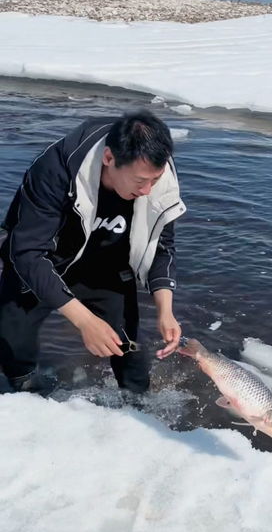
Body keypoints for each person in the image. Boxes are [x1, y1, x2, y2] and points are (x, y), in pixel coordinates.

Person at [0, 109, 186, 393]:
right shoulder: (56, 168)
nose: (149, 190)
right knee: (12, 340)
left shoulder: (157, 173)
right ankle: (27, 392)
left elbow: (162, 245)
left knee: (127, 346)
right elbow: (27, 253)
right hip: (46, 261)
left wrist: (165, 310)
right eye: (140, 182)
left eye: (155, 180)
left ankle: (140, 410)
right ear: (109, 159)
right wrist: (85, 321)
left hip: (105, 264)